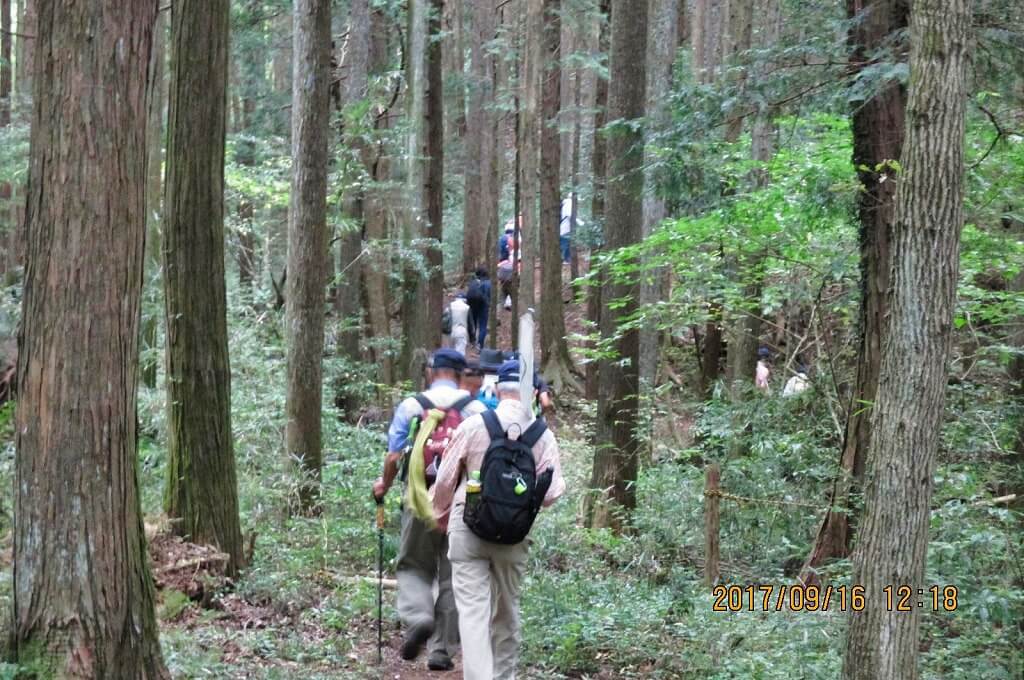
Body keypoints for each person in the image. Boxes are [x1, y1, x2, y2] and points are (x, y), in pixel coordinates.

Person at [431, 360, 565, 680]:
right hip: (513, 537)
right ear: (531, 392)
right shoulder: (542, 436)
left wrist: (440, 516)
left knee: (474, 614)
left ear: (498, 389)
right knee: (506, 613)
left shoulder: (475, 425)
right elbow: (552, 493)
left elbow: (445, 480)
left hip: (468, 528)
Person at [372, 349, 486, 671]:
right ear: (462, 374)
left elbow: (394, 456)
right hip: (461, 505)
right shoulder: (475, 409)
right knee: (453, 576)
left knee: (412, 565)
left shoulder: (412, 406)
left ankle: (419, 616)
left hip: (418, 500)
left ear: (431, 371)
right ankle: (441, 650)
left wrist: (384, 483)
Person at [466, 268, 492, 348]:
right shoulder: (488, 283)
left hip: (473, 305)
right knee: (482, 326)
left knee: (472, 323)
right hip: (484, 306)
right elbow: (490, 295)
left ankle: (472, 341)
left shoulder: (474, 282)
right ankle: (480, 345)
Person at [559, 196, 583, 264]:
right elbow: (570, 215)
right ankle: (562, 259)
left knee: (568, 243)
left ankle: (567, 259)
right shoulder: (569, 203)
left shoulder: (568, 203)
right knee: (564, 243)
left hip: (567, 227)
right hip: (565, 227)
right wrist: (579, 222)